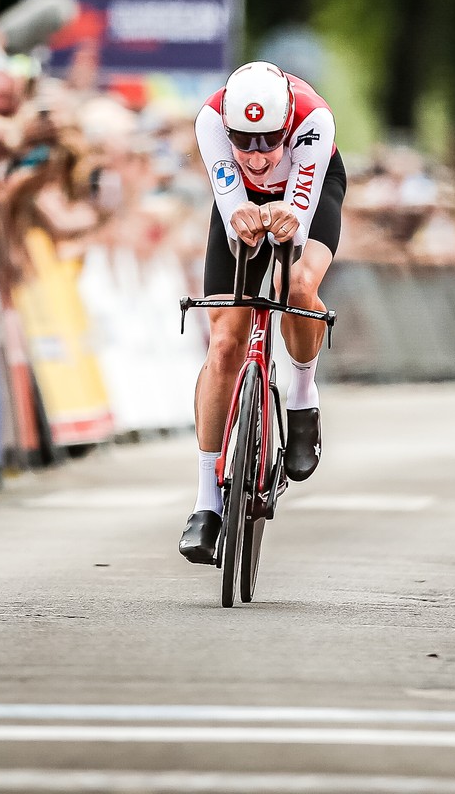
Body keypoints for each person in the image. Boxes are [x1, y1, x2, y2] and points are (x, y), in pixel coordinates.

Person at [180, 61, 347, 565]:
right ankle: (207, 502)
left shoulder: (314, 120)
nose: (255, 155)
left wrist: (280, 222)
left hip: (307, 197)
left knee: (296, 286)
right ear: (227, 127)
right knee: (226, 342)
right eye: (243, 140)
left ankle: (301, 396)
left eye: (269, 140)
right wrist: (241, 215)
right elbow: (232, 206)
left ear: (287, 125)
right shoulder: (209, 121)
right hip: (244, 206)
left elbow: (296, 220)